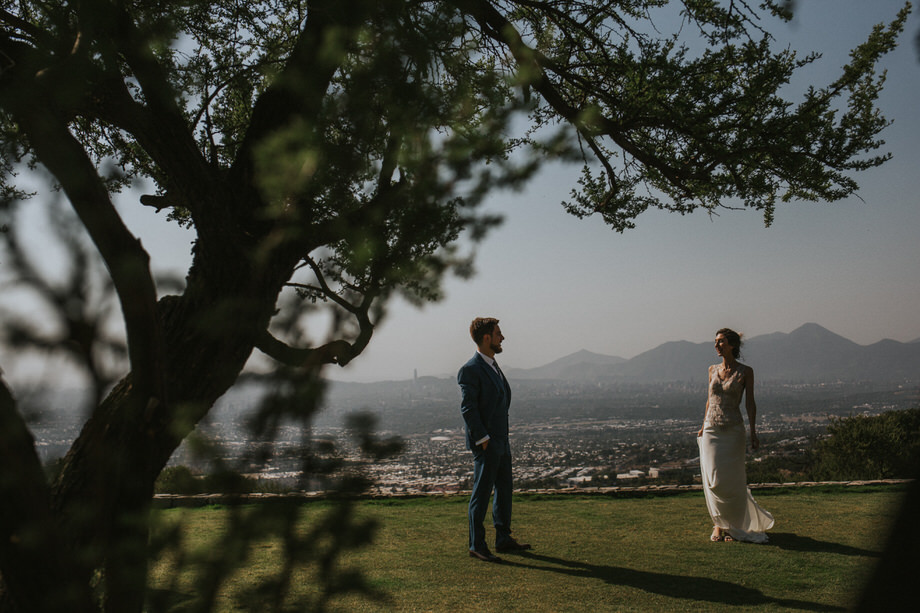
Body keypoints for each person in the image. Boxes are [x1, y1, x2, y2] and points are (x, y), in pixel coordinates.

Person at [458, 317, 531, 562]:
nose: (502, 337)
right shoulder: (470, 369)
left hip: (502, 439)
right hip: (487, 442)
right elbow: (468, 408)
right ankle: (477, 544)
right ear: (487, 337)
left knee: (504, 489)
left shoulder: (493, 365)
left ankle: (503, 538)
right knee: (481, 493)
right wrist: (483, 438)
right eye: (498, 333)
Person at [697, 328, 774, 543]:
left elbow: (750, 403)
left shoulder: (746, 371)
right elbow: (709, 400)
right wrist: (703, 426)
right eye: (715, 341)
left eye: (720, 342)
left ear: (732, 345)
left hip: (733, 430)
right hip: (712, 428)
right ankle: (719, 523)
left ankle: (730, 526)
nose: (716, 345)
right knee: (714, 480)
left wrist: (753, 432)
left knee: (732, 481)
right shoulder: (711, 369)